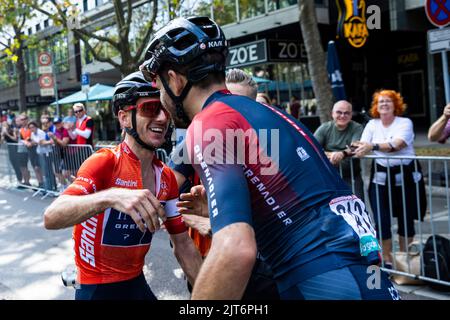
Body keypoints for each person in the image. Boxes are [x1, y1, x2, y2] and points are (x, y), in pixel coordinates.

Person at [140, 16, 398, 300]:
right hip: (363, 274)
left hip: (322, 279)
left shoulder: (209, 123)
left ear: (175, 82)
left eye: (160, 88)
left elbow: (235, 249)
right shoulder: (273, 115)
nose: (162, 100)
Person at [43, 71, 202, 300]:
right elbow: (52, 216)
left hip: (135, 282)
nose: (161, 118)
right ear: (124, 118)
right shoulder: (105, 162)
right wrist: (111, 196)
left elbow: (183, 244)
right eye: (149, 108)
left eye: (164, 109)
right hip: (96, 288)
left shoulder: (166, 177)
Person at [170, 68, 280, 300]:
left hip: (270, 265)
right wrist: (192, 220)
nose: (229, 112)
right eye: (224, 102)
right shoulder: (198, 136)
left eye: (239, 104)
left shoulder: (271, 142)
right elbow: (164, 194)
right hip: (213, 260)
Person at [352, 89, 426, 269]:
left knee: (406, 219)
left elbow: (397, 145)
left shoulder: (404, 122)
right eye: (380, 101)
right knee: (382, 220)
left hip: (406, 177)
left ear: (396, 105)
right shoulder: (372, 125)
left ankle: (405, 261)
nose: (384, 104)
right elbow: (362, 146)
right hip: (380, 177)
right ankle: (387, 261)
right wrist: (348, 151)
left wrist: (372, 146)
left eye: (388, 101)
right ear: (376, 106)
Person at [314, 100, 364, 200]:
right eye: (339, 112)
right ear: (332, 113)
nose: (342, 115)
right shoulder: (325, 128)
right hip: (329, 176)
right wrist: (331, 154)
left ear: (351, 115)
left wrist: (342, 154)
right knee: (332, 208)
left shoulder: (357, 127)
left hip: (352, 176)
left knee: (357, 206)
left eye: (347, 113)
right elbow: (313, 147)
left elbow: (356, 146)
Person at [47, 117, 70, 191]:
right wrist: (53, 139)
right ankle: (64, 187)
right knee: (56, 172)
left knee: (67, 174)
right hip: (57, 154)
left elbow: (64, 143)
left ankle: (75, 188)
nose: (57, 124)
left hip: (67, 154)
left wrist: (54, 138)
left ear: (61, 123)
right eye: (55, 123)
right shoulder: (55, 130)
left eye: (58, 123)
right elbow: (54, 142)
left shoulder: (65, 130)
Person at [1, 117, 22, 183]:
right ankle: (19, 180)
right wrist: (2, 135)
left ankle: (22, 179)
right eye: (3, 125)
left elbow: (15, 139)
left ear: (8, 125)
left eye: (5, 124)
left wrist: (7, 134)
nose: (4, 126)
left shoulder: (13, 130)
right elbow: (1, 142)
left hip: (16, 148)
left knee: (19, 164)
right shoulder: (4, 132)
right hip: (10, 149)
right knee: (14, 164)